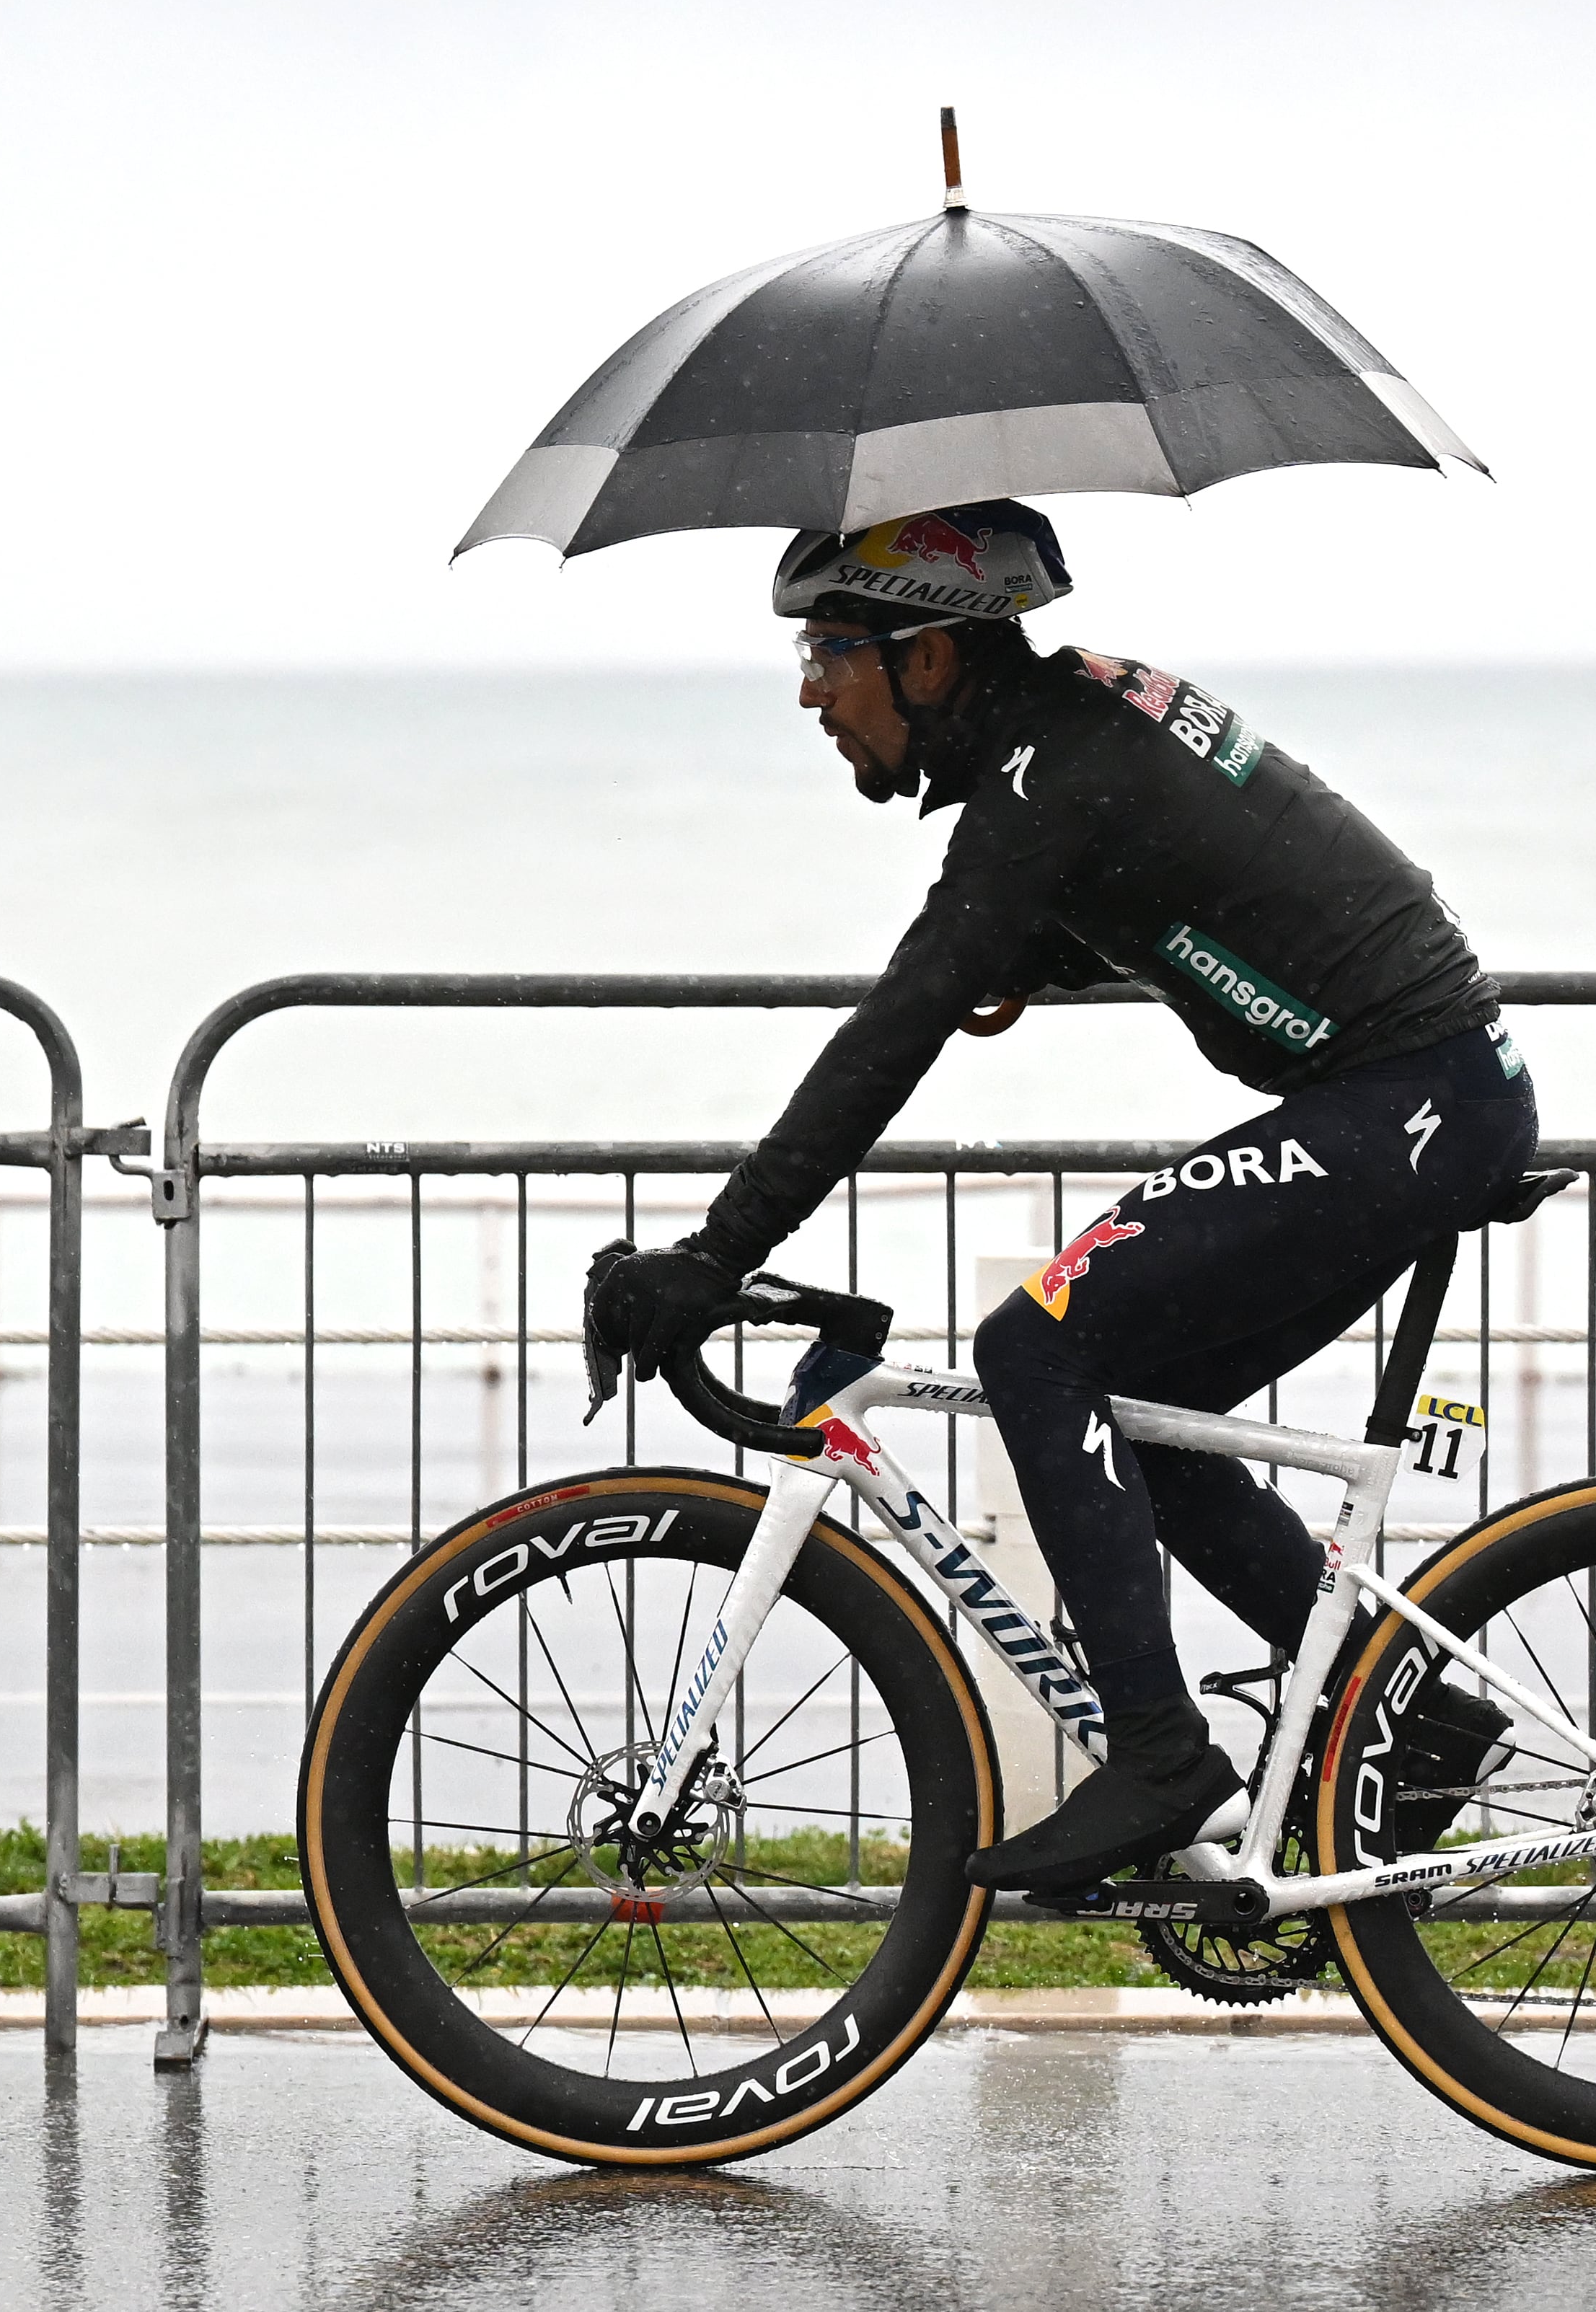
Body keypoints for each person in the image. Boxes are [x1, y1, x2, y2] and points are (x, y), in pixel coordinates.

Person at [592, 499, 1531, 1891]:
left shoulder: (1046, 779)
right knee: (1138, 1418)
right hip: (1425, 1098)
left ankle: (1160, 1751)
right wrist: (1061, 948)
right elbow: (1225, 887)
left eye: (830, 649)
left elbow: (896, 1027)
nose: (808, 690)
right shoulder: (1072, 723)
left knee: (1035, 1343)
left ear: (930, 657)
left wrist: (715, 1253)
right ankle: (1420, 1719)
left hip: (1405, 1105)